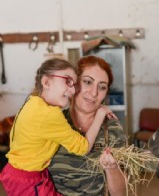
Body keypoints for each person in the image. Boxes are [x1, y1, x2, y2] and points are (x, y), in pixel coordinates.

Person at [0, 58, 114, 195]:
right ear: (46, 82)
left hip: (17, 172)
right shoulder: (50, 114)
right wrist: (100, 114)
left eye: (74, 84)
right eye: (67, 81)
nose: (72, 90)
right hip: (29, 179)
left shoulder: (32, 101)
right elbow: (83, 147)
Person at [48, 55, 127, 196]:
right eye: (88, 82)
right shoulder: (53, 121)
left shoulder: (112, 128)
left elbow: (120, 193)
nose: (94, 92)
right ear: (74, 83)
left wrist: (112, 168)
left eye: (102, 87)